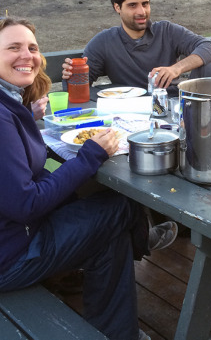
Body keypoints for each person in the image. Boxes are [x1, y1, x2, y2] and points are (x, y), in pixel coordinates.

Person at [0, 17, 177, 340]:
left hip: (15, 236)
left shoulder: (10, 105)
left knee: (110, 236)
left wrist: (28, 115)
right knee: (120, 206)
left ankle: (118, 333)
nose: (26, 55)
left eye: (32, 48)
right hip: (12, 255)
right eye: (13, 47)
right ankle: (143, 237)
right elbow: (25, 204)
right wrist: (91, 155)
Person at [62, 0, 211, 94]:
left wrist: (175, 69)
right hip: (130, 111)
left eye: (145, 4)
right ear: (117, 7)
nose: (141, 12)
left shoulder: (166, 31)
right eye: (132, 5)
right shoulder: (104, 42)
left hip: (176, 105)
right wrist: (71, 75)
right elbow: (77, 88)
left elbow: (209, 47)